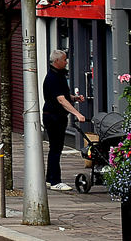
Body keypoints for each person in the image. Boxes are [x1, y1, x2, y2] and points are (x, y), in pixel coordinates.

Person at [43, 49, 86, 191]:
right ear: (57, 61)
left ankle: (50, 179)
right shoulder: (53, 78)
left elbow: (63, 96)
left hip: (56, 115)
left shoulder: (59, 75)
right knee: (56, 148)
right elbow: (60, 99)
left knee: (55, 148)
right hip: (53, 117)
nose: (66, 62)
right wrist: (77, 114)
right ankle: (56, 181)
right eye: (64, 59)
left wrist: (73, 98)